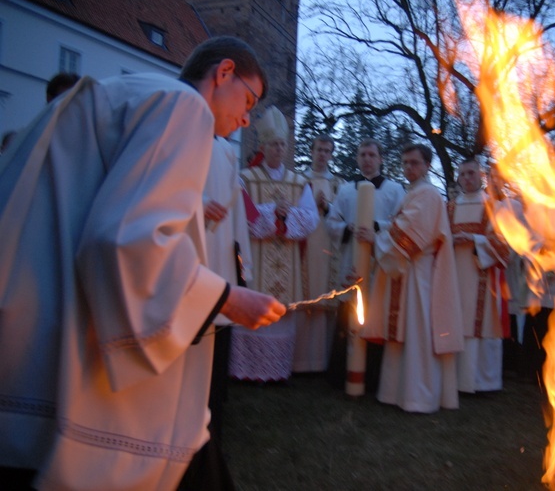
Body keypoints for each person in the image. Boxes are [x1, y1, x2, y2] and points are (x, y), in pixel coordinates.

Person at [0, 36, 286, 490]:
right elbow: (126, 242)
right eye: (247, 98)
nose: (247, 117)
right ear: (224, 73)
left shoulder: (130, 95)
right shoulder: (183, 107)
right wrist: (227, 298)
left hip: (33, 313)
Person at [360, 143, 463, 413]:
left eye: (415, 163)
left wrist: (377, 238)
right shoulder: (415, 193)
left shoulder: (428, 195)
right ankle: (397, 392)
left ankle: (419, 396)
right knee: (405, 330)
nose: (409, 168)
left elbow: (410, 233)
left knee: (418, 333)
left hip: (419, 273)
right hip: (407, 271)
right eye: (405, 163)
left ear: (427, 165)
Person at [229, 106, 318, 382]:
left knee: (281, 314)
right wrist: (272, 212)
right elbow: (242, 216)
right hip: (255, 257)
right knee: (253, 307)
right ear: (263, 146)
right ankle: (246, 369)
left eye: (282, 144)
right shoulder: (245, 178)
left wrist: (287, 216)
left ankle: (277, 371)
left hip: (287, 260)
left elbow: (311, 218)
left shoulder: (299, 182)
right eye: (273, 144)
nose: (278, 149)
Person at [325, 138, 406, 390]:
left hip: (379, 260)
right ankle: (343, 371)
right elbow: (332, 221)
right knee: (349, 311)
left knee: (376, 311)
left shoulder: (394, 190)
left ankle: (374, 375)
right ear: (358, 159)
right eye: (363, 155)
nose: (367, 159)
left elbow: (402, 223)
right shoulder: (347, 189)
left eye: (372, 155)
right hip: (352, 257)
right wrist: (345, 228)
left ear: (380, 159)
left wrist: (378, 227)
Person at [201, 136, 253, 438]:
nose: (244, 121)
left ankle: (213, 416)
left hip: (221, 262)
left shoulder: (226, 150)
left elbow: (237, 215)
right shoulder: (183, 128)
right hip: (193, 258)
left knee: (216, 353)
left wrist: (242, 267)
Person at [449, 159, 510, 393]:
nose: (466, 178)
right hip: (454, 272)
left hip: (482, 274)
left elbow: (505, 245)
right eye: (462, 174)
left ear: (481, 176)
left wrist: (475, 239)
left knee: (482, 323)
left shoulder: (494, 207)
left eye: (471, 173)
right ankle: (457, 379)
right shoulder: (451, 207)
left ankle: (483, 382)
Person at [294, 133, 343, 372]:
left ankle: (321, 361)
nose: (322, 154)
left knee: (325, 297)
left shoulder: (338, 184)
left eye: (327, 151)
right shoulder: (299, 180)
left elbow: (342, 215)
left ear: (331, 154)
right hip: (305, 245)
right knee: (304, 296)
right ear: (312, 151)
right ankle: (300, 360)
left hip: (328, 247)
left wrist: (328, 206)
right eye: (319, 150)